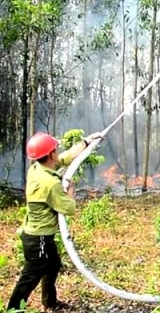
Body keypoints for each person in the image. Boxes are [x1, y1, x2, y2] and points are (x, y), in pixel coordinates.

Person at [6, 130, 103, 312]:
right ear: (50, 154)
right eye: (55, 149)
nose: (57, 151)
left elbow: (64, 159)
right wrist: (70, 190)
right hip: (39, 239)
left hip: (38, 236)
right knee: (31, 275)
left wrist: (86, 142)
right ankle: (13, 309)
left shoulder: (37, 168)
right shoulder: (49, 184)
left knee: (53, 264)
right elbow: (69, 208)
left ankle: (50, 303)